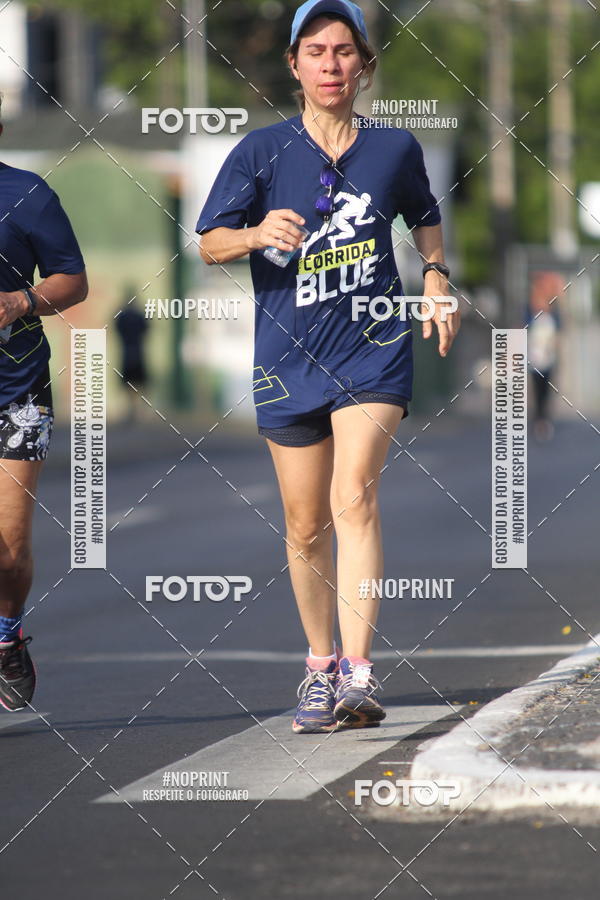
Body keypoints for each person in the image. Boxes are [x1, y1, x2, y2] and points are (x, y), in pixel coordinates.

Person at [196, 0, 460, 733]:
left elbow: (424, 215)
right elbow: (208, 242)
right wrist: (255, 234)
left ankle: (359, 674)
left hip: (373, 349)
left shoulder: (394, 148)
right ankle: (320, 666)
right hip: (287, 358)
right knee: (305, 523)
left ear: (363, 65)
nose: (331, 65)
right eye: (315, 52)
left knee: (354, 497)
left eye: (344, 51)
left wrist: (435, 276)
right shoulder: (260, 151)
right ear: (294, 64)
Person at [0, 98, 88, 710]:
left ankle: (7, 636)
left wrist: (21, 302)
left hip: (17, 389)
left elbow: (72, 280)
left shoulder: (27, 193)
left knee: (8, 545)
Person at [115, 289, 149, 423]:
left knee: (130, 382)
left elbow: (117, 328)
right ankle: (136, 409)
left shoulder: (122, 315)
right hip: (137, 351)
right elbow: (147, 328)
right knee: (139, 382)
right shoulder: (139, 314)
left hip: (127, 351)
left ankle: (133, 408)